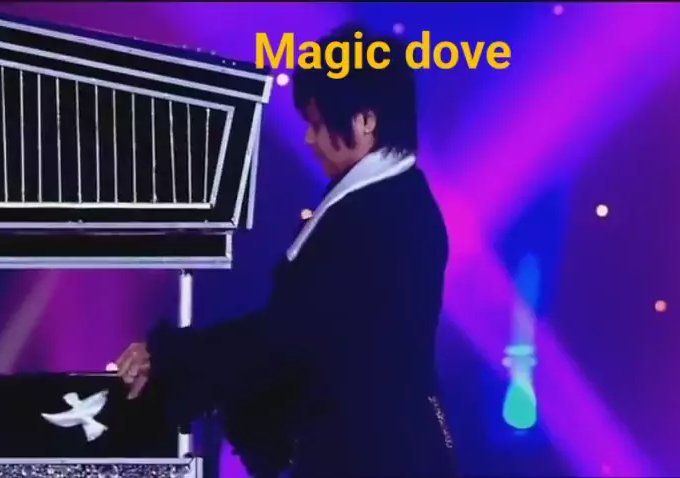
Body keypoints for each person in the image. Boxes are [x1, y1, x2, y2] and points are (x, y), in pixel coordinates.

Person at [116, 23, 457, 478]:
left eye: (317, 124)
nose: (309, 140)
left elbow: (288, 335)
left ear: (366, 121)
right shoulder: (389, 201)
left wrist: (172, 358)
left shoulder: (379, 214)